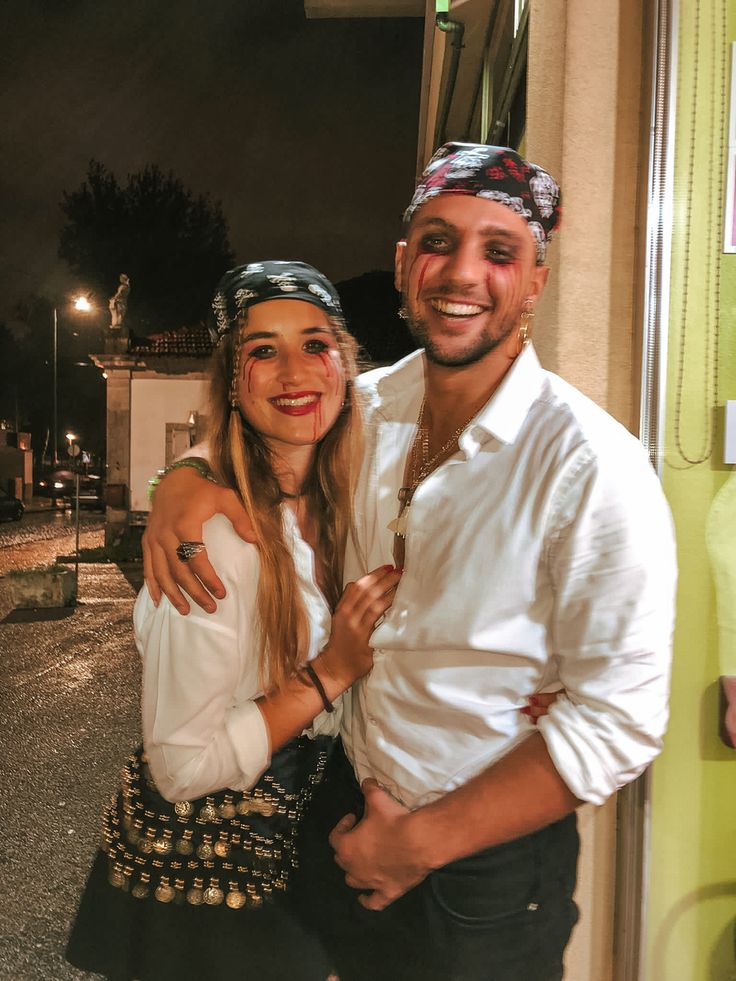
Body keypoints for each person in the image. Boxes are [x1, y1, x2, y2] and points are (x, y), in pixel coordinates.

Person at [141, 144, 677, 981]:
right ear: (402, 262)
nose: (463, 271)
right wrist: (183, 478)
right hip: (351, 809)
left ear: (535, 280)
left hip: (482, 868)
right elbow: (265, 424)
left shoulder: (588, 465)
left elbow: (623, 719)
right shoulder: (372, 403)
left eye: (500, 251)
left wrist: (415, 844)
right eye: (438, 239)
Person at [65, 260, 402, 981]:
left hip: (307, 861)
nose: (293, 371)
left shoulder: (346, 500)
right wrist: (330, 671)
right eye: (261, 349)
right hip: (222, 902)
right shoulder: (217, 538)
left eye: (316, 344)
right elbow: (182, 765)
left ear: (346, 365)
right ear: (233, 382)